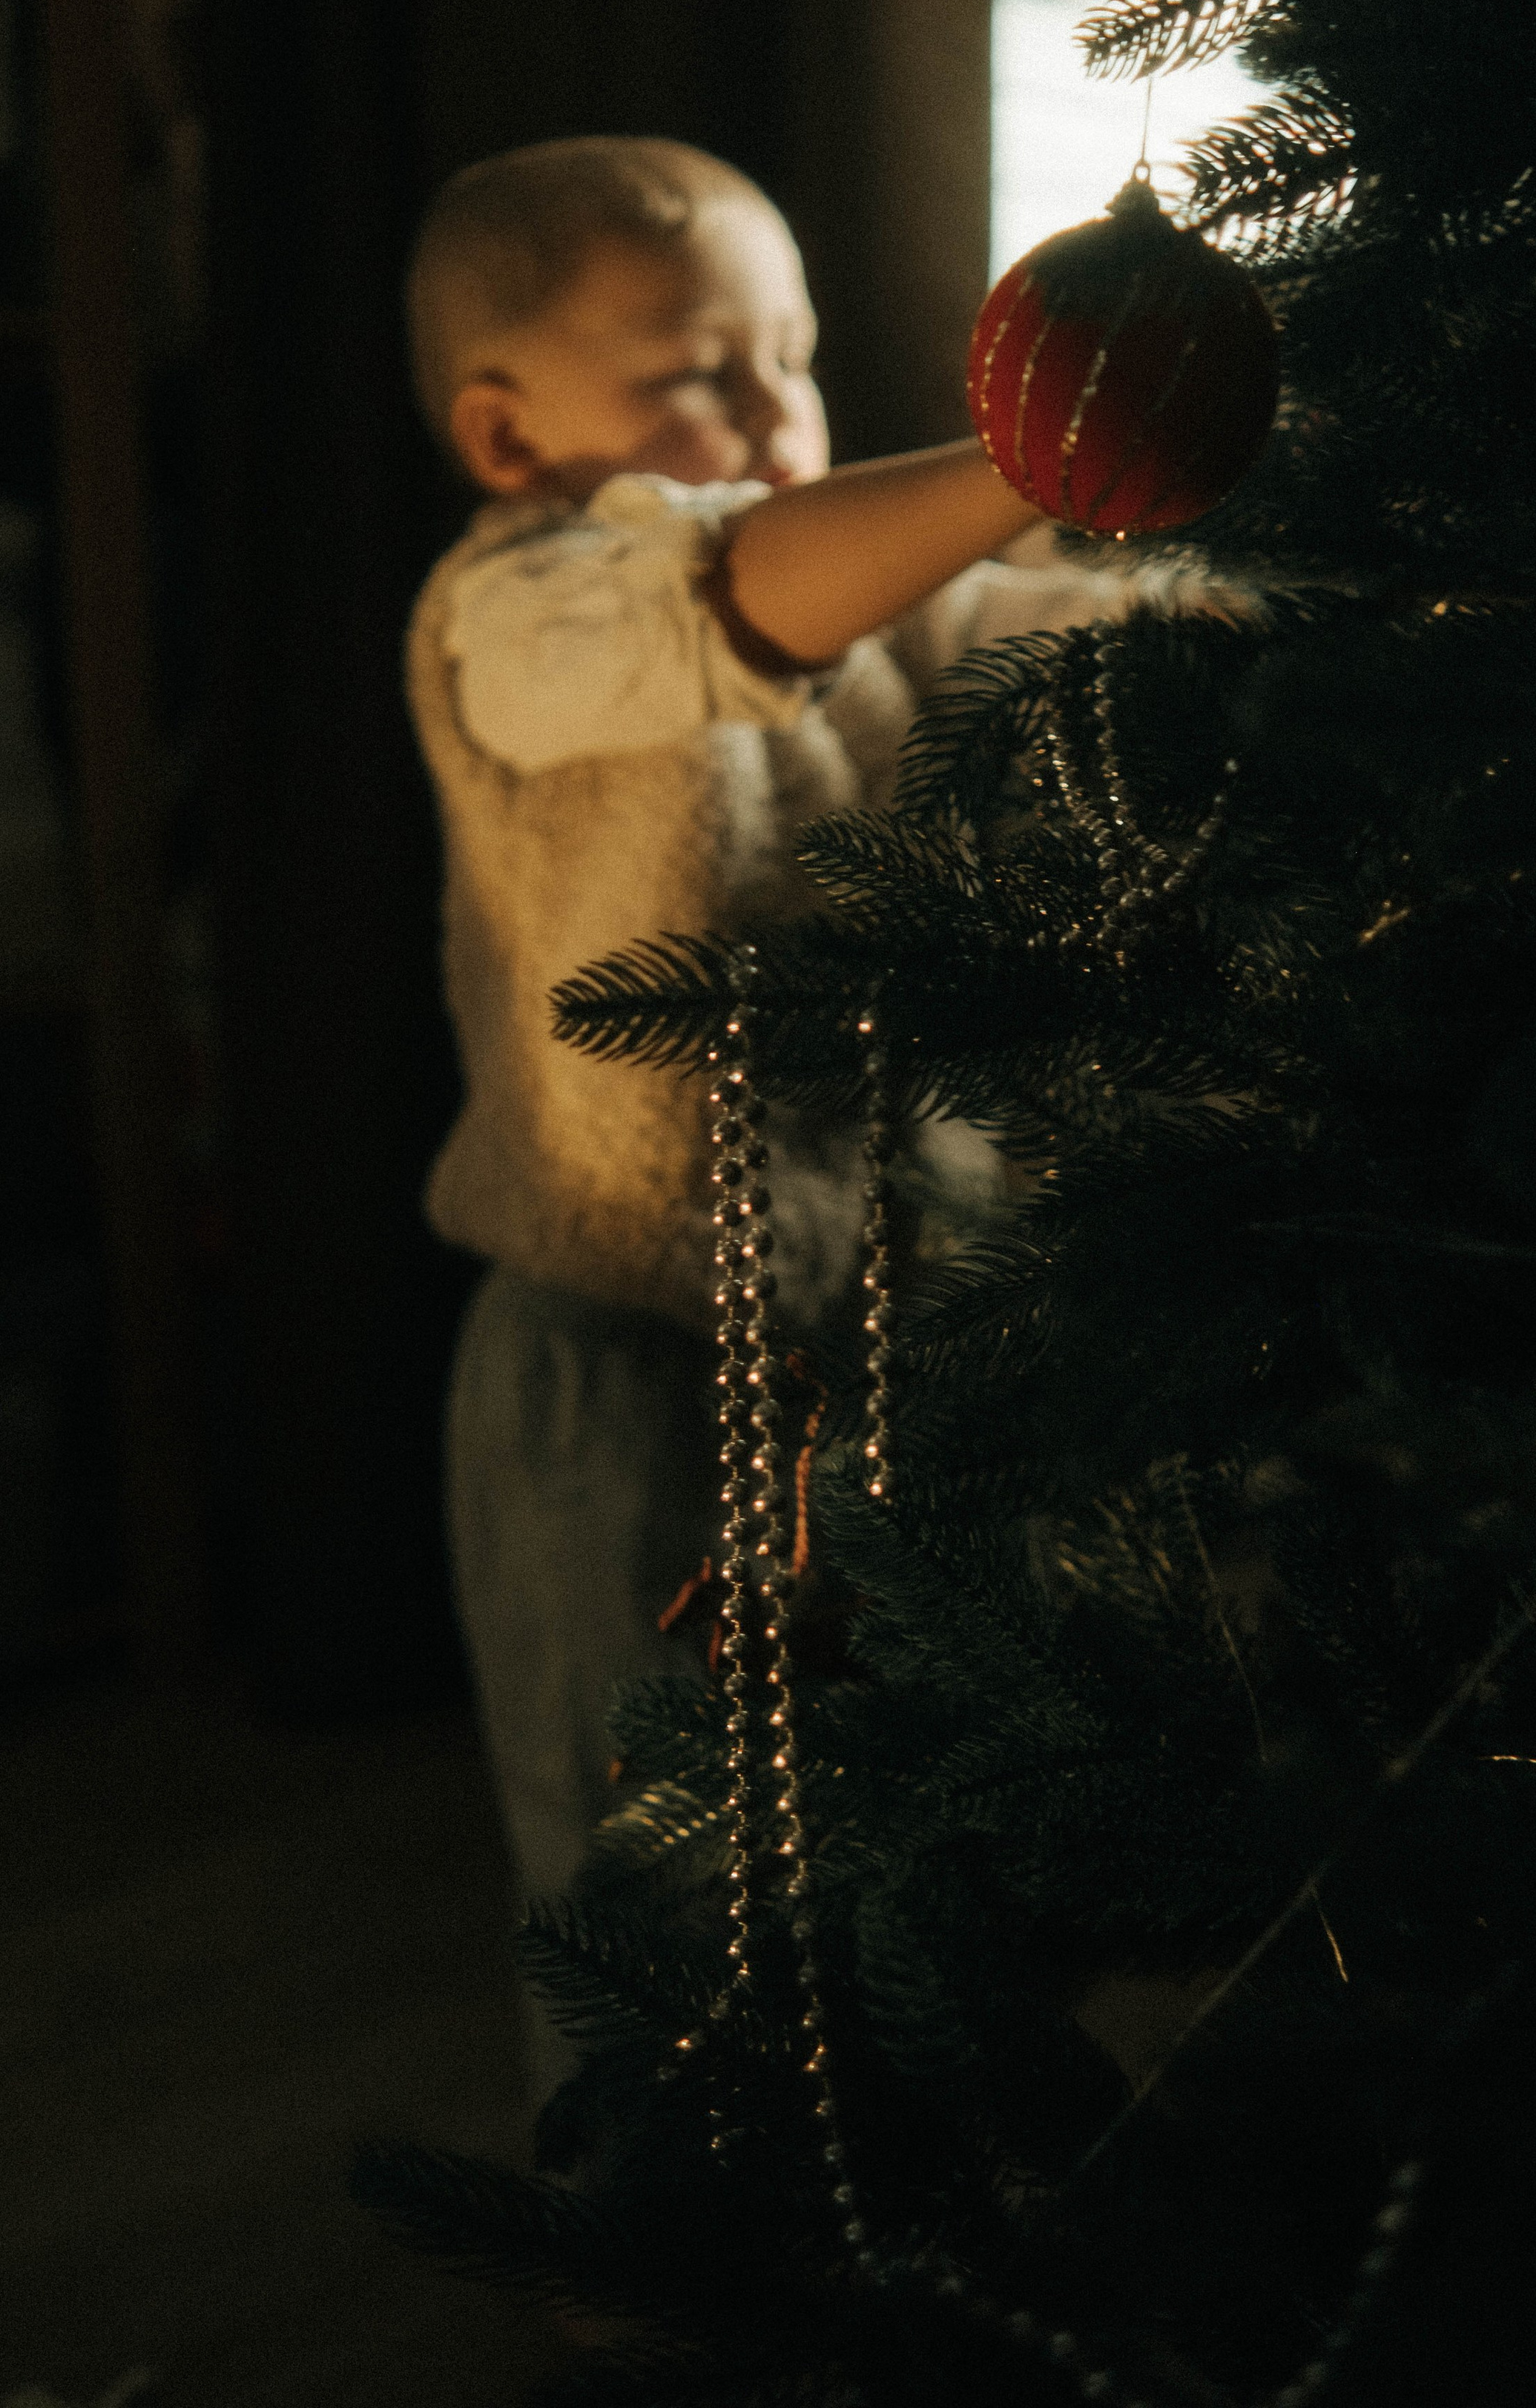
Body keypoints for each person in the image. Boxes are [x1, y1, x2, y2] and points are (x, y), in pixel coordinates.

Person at [405, 136, 1133, 2095]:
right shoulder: (518, 611)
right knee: (648, 1868)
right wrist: (1021, 464)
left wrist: (1174, 543)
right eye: (695, 375)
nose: (773, 414)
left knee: (925, 1825)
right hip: (622, 1368)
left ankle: (918, 2216)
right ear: (507, 431)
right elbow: (718, 605)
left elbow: (1066, 621)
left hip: (886, 1358)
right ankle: (651, 2296)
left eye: (792, 359)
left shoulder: (869, 596)